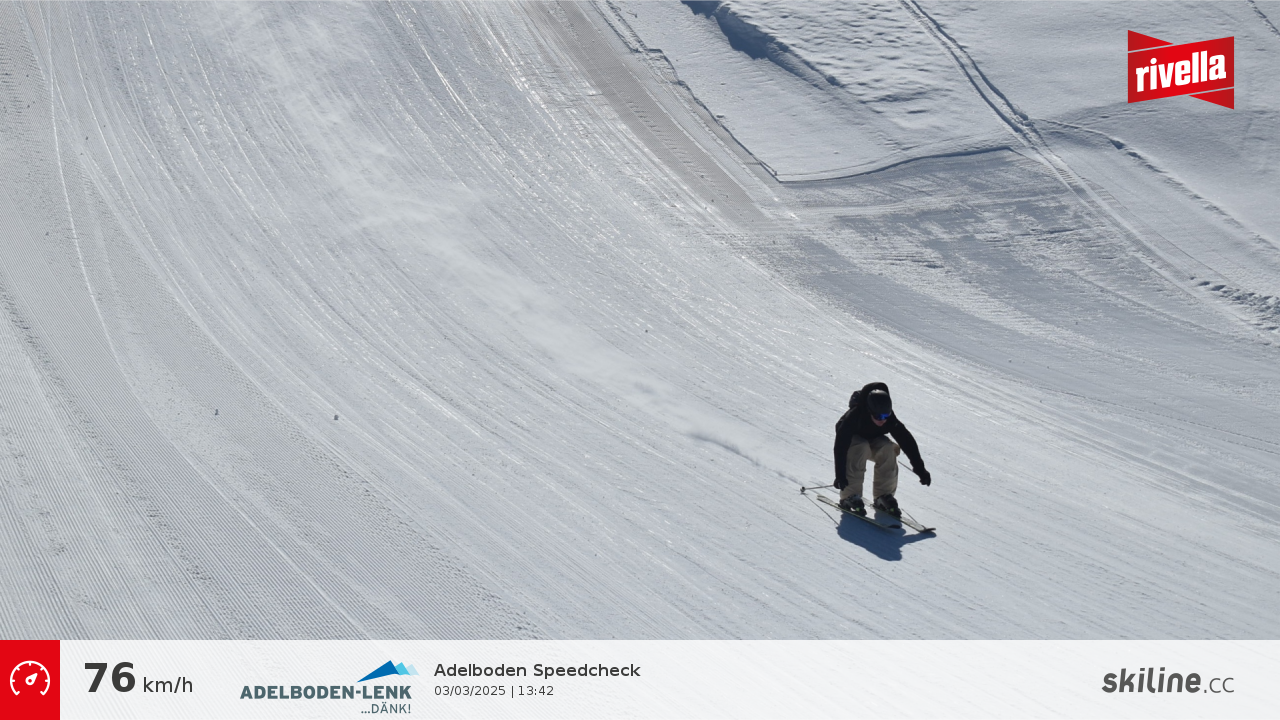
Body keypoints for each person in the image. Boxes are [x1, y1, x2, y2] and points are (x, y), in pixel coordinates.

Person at [833, 382, 931, 516]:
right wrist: (840, 475)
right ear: (869, 411)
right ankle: (850, 496)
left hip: (873, 439)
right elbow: (840, 447)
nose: (883, 420)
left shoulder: (889, 419)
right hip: (853, 441)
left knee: (888, 448)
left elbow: (907, 441)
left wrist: (920, 469)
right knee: (860, 447)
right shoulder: (853, 417)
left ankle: (883, 495)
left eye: (886, 415)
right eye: (879, 416)